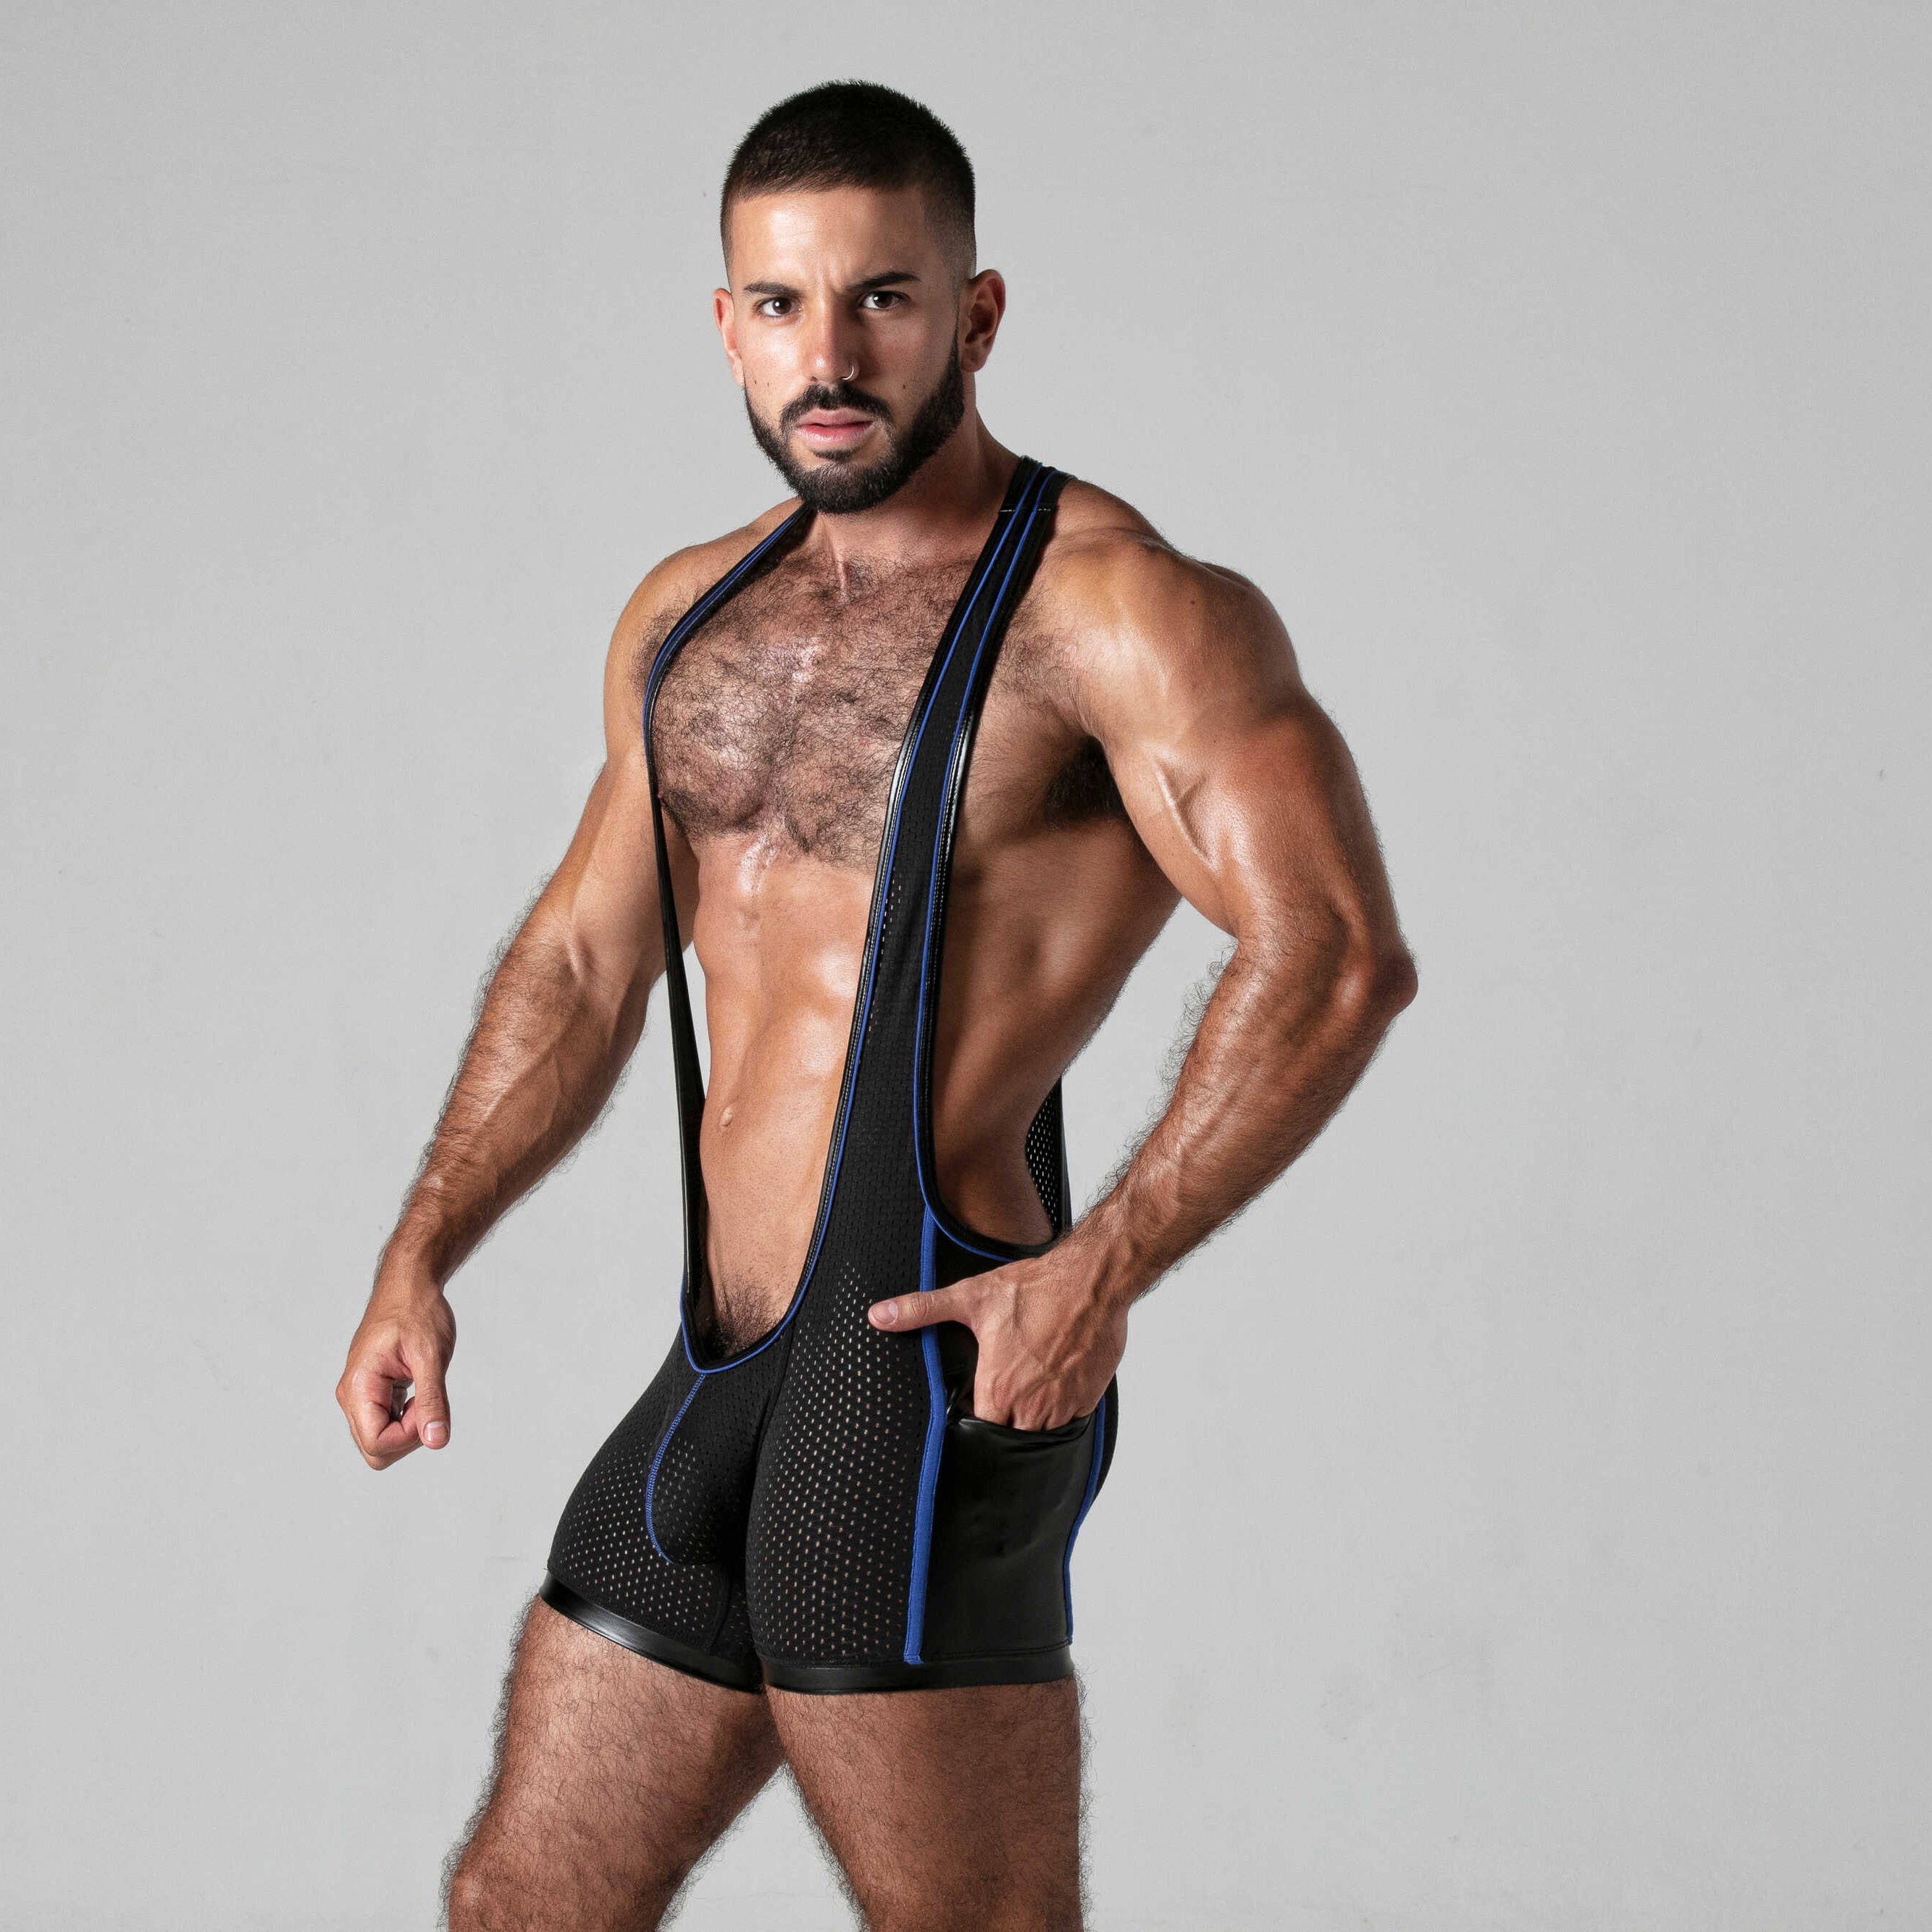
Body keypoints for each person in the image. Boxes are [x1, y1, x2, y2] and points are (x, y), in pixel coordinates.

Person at [337, 78, 1416, 1932]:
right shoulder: (688, 618)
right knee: (522, 1903)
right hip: (718, 1366)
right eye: (780, 304)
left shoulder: (1119, 612)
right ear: (726, 325)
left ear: (973, 315)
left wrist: (1105, 1261)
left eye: (881, 299)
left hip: (924, 1368)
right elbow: (586, 957)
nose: (826, 356)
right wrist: (422, 1246)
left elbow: (1331, 949)